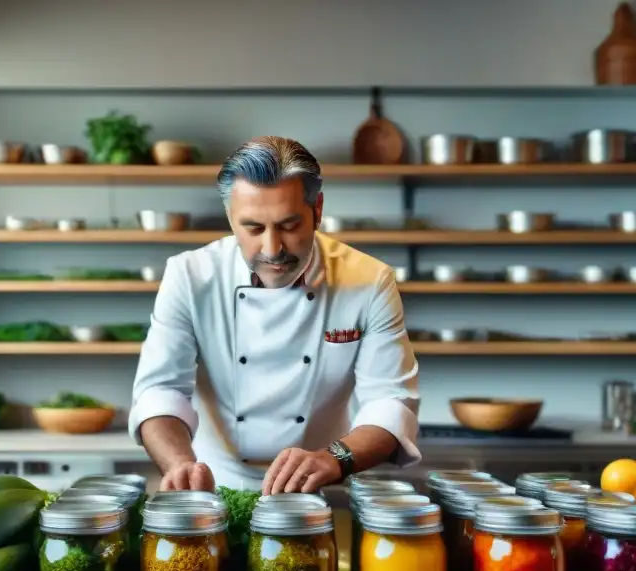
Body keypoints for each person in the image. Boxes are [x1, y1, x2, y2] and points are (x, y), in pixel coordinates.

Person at [128, 136, 421, 494]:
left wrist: (333, 459)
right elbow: (160, 391)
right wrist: (179, 466)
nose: (272, 249)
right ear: (230, 217)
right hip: (214, 490)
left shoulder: (370, 281)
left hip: (319, 489)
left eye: (288, 225)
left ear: (318, 210)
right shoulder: (189, 276)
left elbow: (389, 403)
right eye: (253, 228)